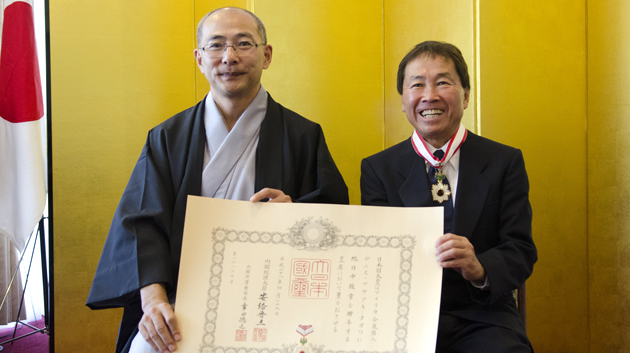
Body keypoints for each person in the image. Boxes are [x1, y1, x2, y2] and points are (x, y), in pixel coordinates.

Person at [86, 7, 348, 353]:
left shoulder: (303, 136)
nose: (230, 57)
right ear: (199, 58)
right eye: (216, 46)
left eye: (243, 44)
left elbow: (336, 217)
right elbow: (141, 224)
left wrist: (295, 214)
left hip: (276, 300)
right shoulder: (167, 138)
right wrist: (153, 301)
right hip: (184, 298)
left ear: (266, 55)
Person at [360, 41, 537, 352]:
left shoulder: (504, 162)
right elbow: (378, 259)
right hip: (404, 314)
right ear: (403, 101)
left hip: (484, 314)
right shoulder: (378, 169)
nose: (430, 95)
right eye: (417, 84)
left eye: (443, 82)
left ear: (466, 95)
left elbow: (520, 248)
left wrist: (479, 267)